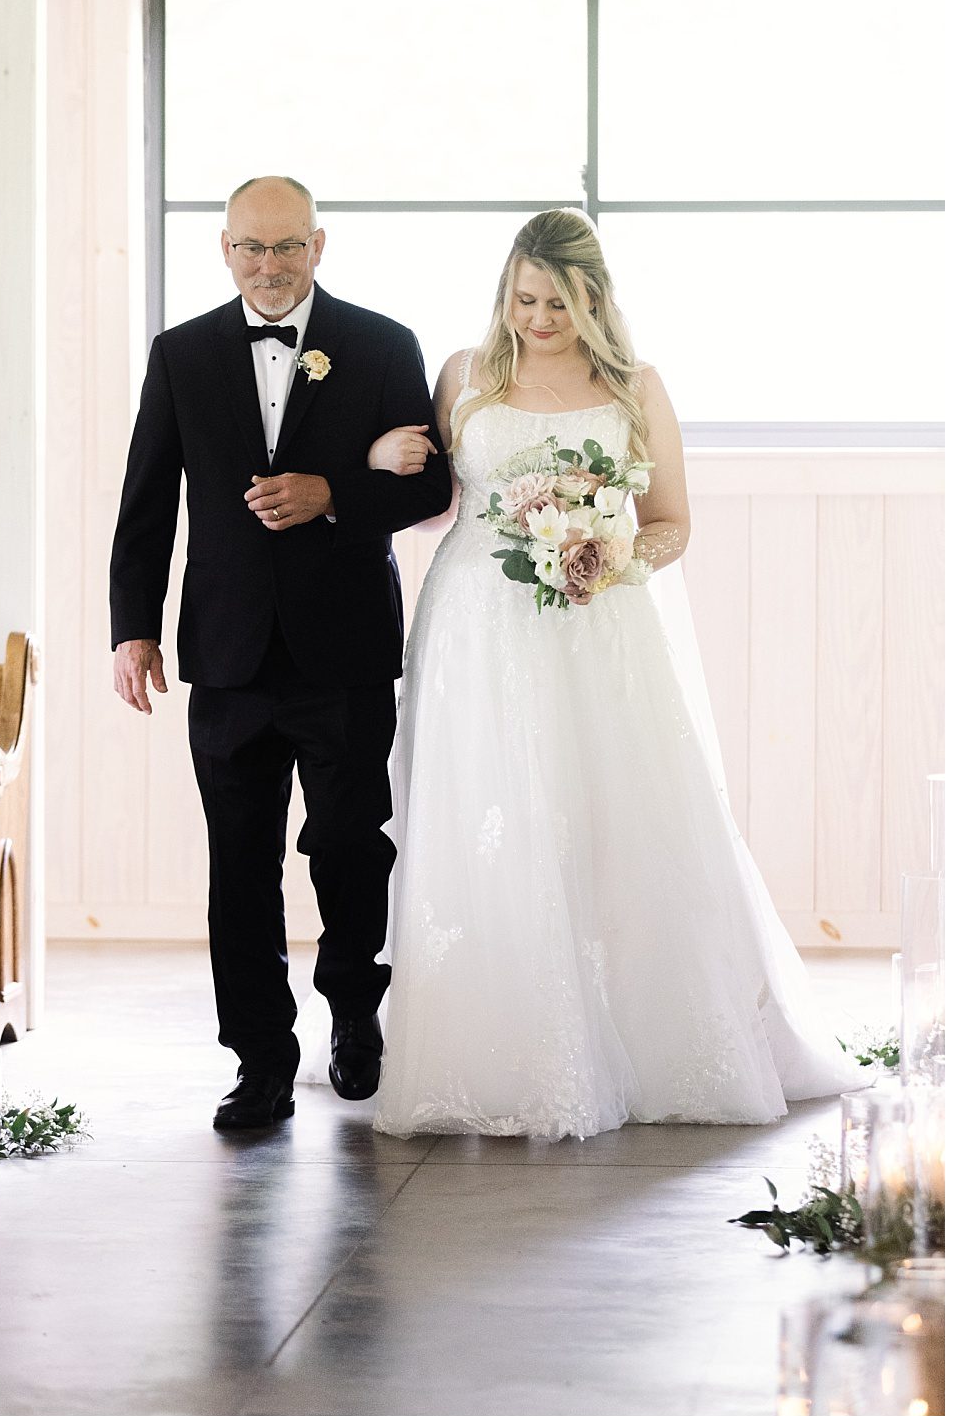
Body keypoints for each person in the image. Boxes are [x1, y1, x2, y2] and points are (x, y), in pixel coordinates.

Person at [368, 207, 863, 1138]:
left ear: (593, 299)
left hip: (594, 624)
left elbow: (672, 520)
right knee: (488, 813)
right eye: (523, 299)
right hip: (475, 625)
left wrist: (605, 551)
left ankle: (634, 1036)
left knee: (605, 815)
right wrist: (377, 459)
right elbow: (433, 505)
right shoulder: (465, 376)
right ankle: (492, 1045)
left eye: (557, 301)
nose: (537, 319)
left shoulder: (634, 386)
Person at [107, 175, 452, 1131]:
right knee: (240, 864)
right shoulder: (181, 355)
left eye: (287, 247)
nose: (269, 266)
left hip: (342, 648)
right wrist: (132, 626)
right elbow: (147, 500)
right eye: (251, 248)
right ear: (224, 249)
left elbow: (430, 492)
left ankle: (354, 1020)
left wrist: (332, 492)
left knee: (349, 847)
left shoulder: (384, 345)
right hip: (224, 654)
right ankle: (259, 1057)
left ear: (319, 245)